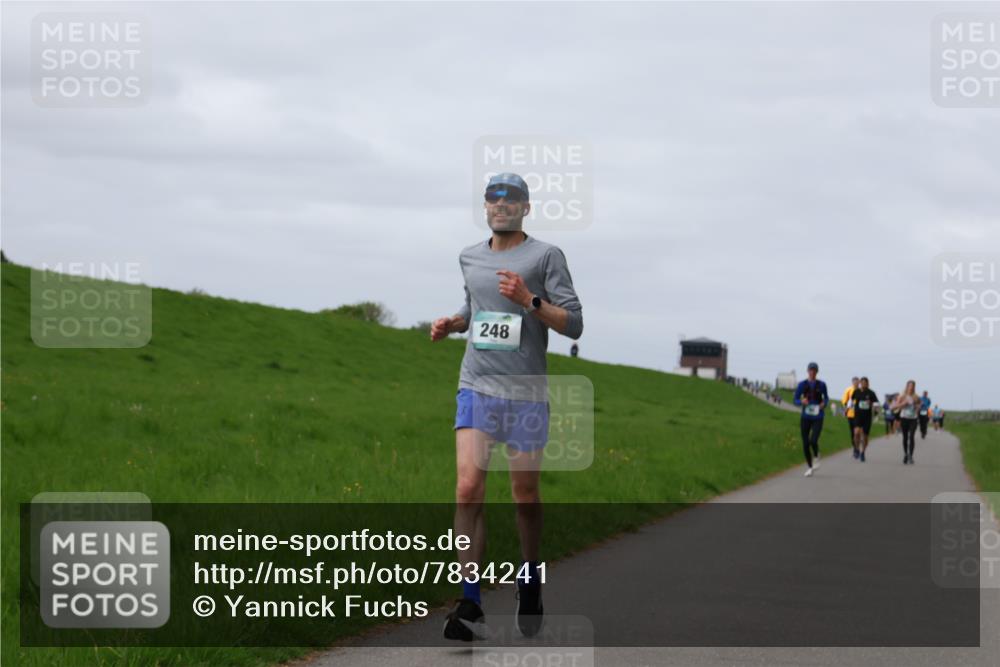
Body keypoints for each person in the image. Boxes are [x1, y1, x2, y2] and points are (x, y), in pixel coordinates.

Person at [430, 172, 583, 641]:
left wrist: (530, 299)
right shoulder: (469, 257)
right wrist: (454, 323)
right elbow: (476, 311)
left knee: (525, 496)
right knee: (467, 487)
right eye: (493, 199)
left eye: (510, 199)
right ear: (486, 206)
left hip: (526, 396)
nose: (500, 206)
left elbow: (573, 323)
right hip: (476, 386)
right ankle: (470, 599)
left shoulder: (545, 256)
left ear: (525, 207)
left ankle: (530, 577)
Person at [793, 362, 829, 477]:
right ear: (807, 371)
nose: (812, 372)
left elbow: (826, 398)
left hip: (818, 416)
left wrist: (824, 403)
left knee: (813, 440)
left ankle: (817, 455)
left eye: (814, 370)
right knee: (805, 444)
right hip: (806, 417)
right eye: (810, 370)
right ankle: (810, 467)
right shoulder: (802, 384)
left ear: (817, 372)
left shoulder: (822, 384)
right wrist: (801, 402)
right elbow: (795, 400)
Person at [892, 381, 921, 465]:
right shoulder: (902, 396)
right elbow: (894, 407)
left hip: (913, 419)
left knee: (911, 436)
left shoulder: (916, 397)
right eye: (909, 386)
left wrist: (916, 406)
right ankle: (905, 454)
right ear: (907, 387)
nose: (911, 387)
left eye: (912, 386)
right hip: (904, 418)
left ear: (914, 387)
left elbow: (919, 407)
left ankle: (911, 456)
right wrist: (903, 404)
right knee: (905, 437)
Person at [851, 377, 879, 462]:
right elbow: (851, 401)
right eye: (862, 382)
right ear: (860, 383)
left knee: (865, 436)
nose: (863, 384)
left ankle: (863, 452)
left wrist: (875, 412)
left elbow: (876, 404)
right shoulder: (856, 392)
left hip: (867, 417)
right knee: (856, 433)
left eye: (865, 383)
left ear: (868, 384)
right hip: (858, 415)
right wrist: (848, 409)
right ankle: (856, 449)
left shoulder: (871, 393)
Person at [842, 377, 860, 459]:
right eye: (854, 382)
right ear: (852, 382)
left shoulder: (861, 390)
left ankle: (857, 448)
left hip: (859, 415)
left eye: (857, 382)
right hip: (850, 414)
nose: (856, 383)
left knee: (857, 433)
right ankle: (855, 449)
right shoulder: (848, 390)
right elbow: (844, 401)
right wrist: (845, 410)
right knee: (852, 433)